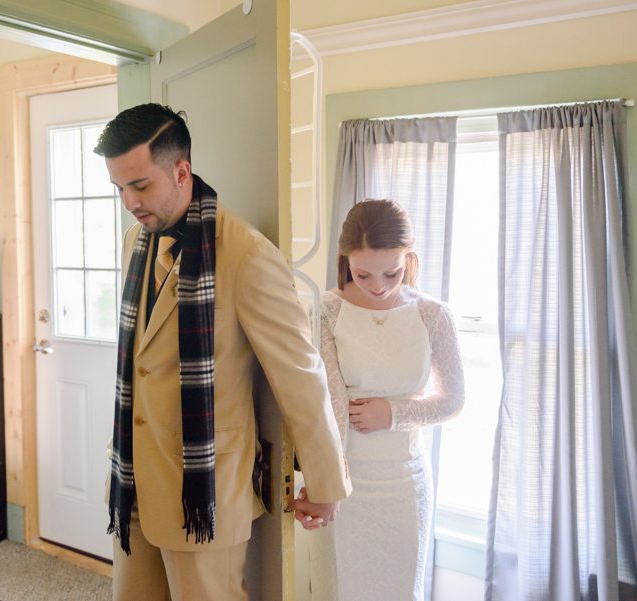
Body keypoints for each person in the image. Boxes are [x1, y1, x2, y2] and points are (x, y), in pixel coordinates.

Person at [94, 103, 351, 601]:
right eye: (119, 188)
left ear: (181, 170)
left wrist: (324, 482)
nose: (128, 201)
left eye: (140, 186)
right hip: (133, 481)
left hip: (203, 491)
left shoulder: (247, 256)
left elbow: (300, 375)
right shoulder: (135, 242)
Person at [316, 199, 465, 601]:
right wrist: (328, 482)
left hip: (405, 481)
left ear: (409, 259)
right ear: (346, 260)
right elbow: (331, 405)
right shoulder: (328, 311)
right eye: (363, 273)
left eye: (391, 272)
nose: (378, 285)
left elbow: (453, 400)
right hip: (349, 483)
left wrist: (393, 414)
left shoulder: (432, 315)